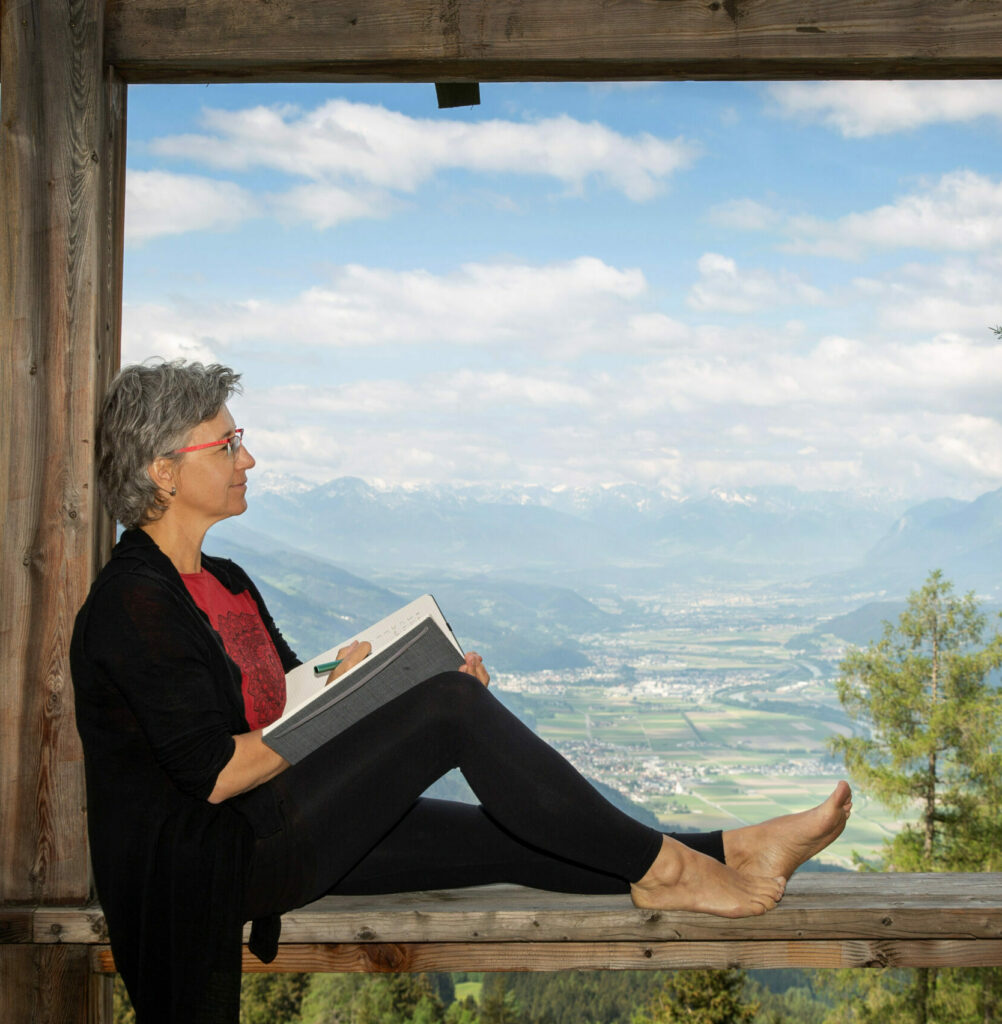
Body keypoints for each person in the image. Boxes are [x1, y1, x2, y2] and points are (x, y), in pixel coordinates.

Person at [71, 359, 852, 1024]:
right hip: (221, 858)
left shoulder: (226, 582)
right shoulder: (133, 603)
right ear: (162, 470)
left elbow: (289, 704)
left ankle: (729, 849)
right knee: (450, 708)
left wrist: (373, 679)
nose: (249, 458)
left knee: (497, 833)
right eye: (229, 441)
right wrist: (408, 703)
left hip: (274, 822)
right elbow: (214, 772)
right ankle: (673, 875)